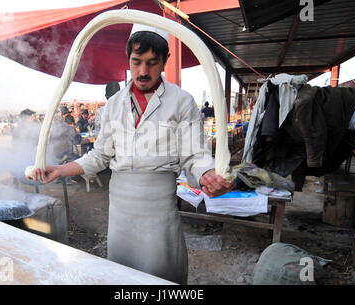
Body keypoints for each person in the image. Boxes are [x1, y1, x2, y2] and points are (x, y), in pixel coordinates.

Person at [30, 24, 234, 284]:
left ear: (165, 62)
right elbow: (99, 156)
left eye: (152, 63)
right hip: (121, 208)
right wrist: (60, 170)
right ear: (128, 60)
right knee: (123, 275)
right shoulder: (114, 105)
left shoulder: (181, 101)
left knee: (160, 272)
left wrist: (207, 174)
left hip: (158, 205)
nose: (143, 71)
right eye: (136, 62)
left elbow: (195, 155)